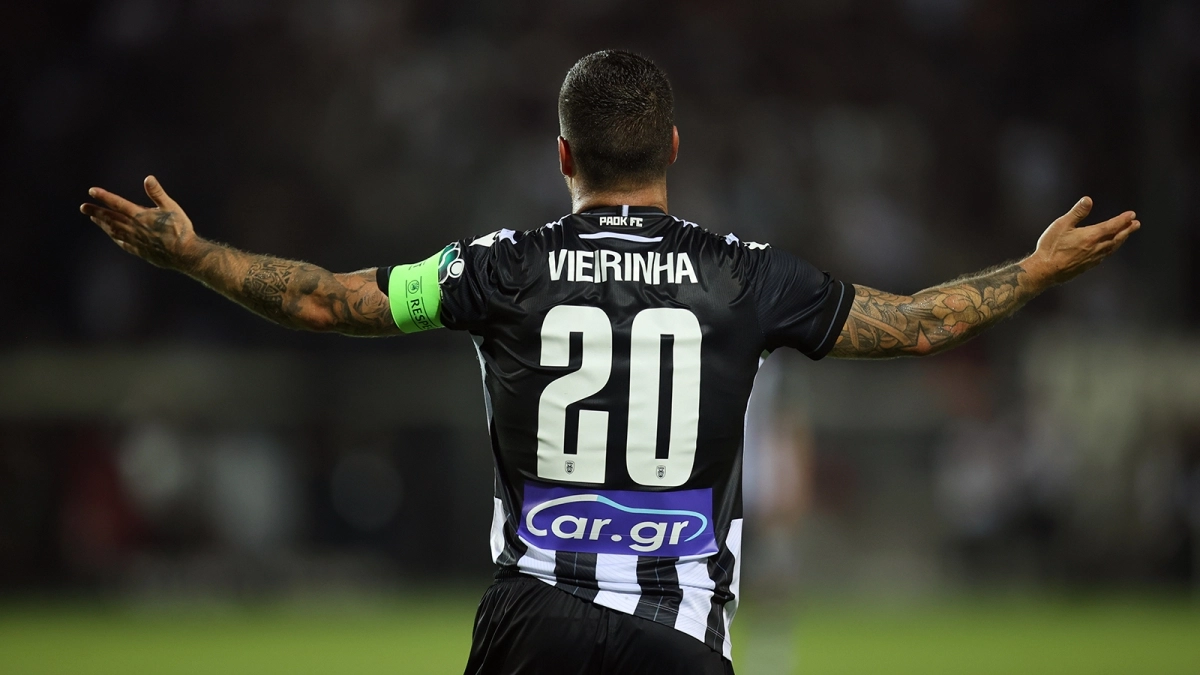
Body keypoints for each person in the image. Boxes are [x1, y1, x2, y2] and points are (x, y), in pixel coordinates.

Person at [80, 50, 1139, 675]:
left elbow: (326, 299)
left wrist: (195, 255)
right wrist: (1035, 270)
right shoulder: (745, 275)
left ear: (562, 157)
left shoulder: (497, 266)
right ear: (673, 149)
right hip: (678, 638)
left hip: (533, 623)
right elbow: (916, 325)